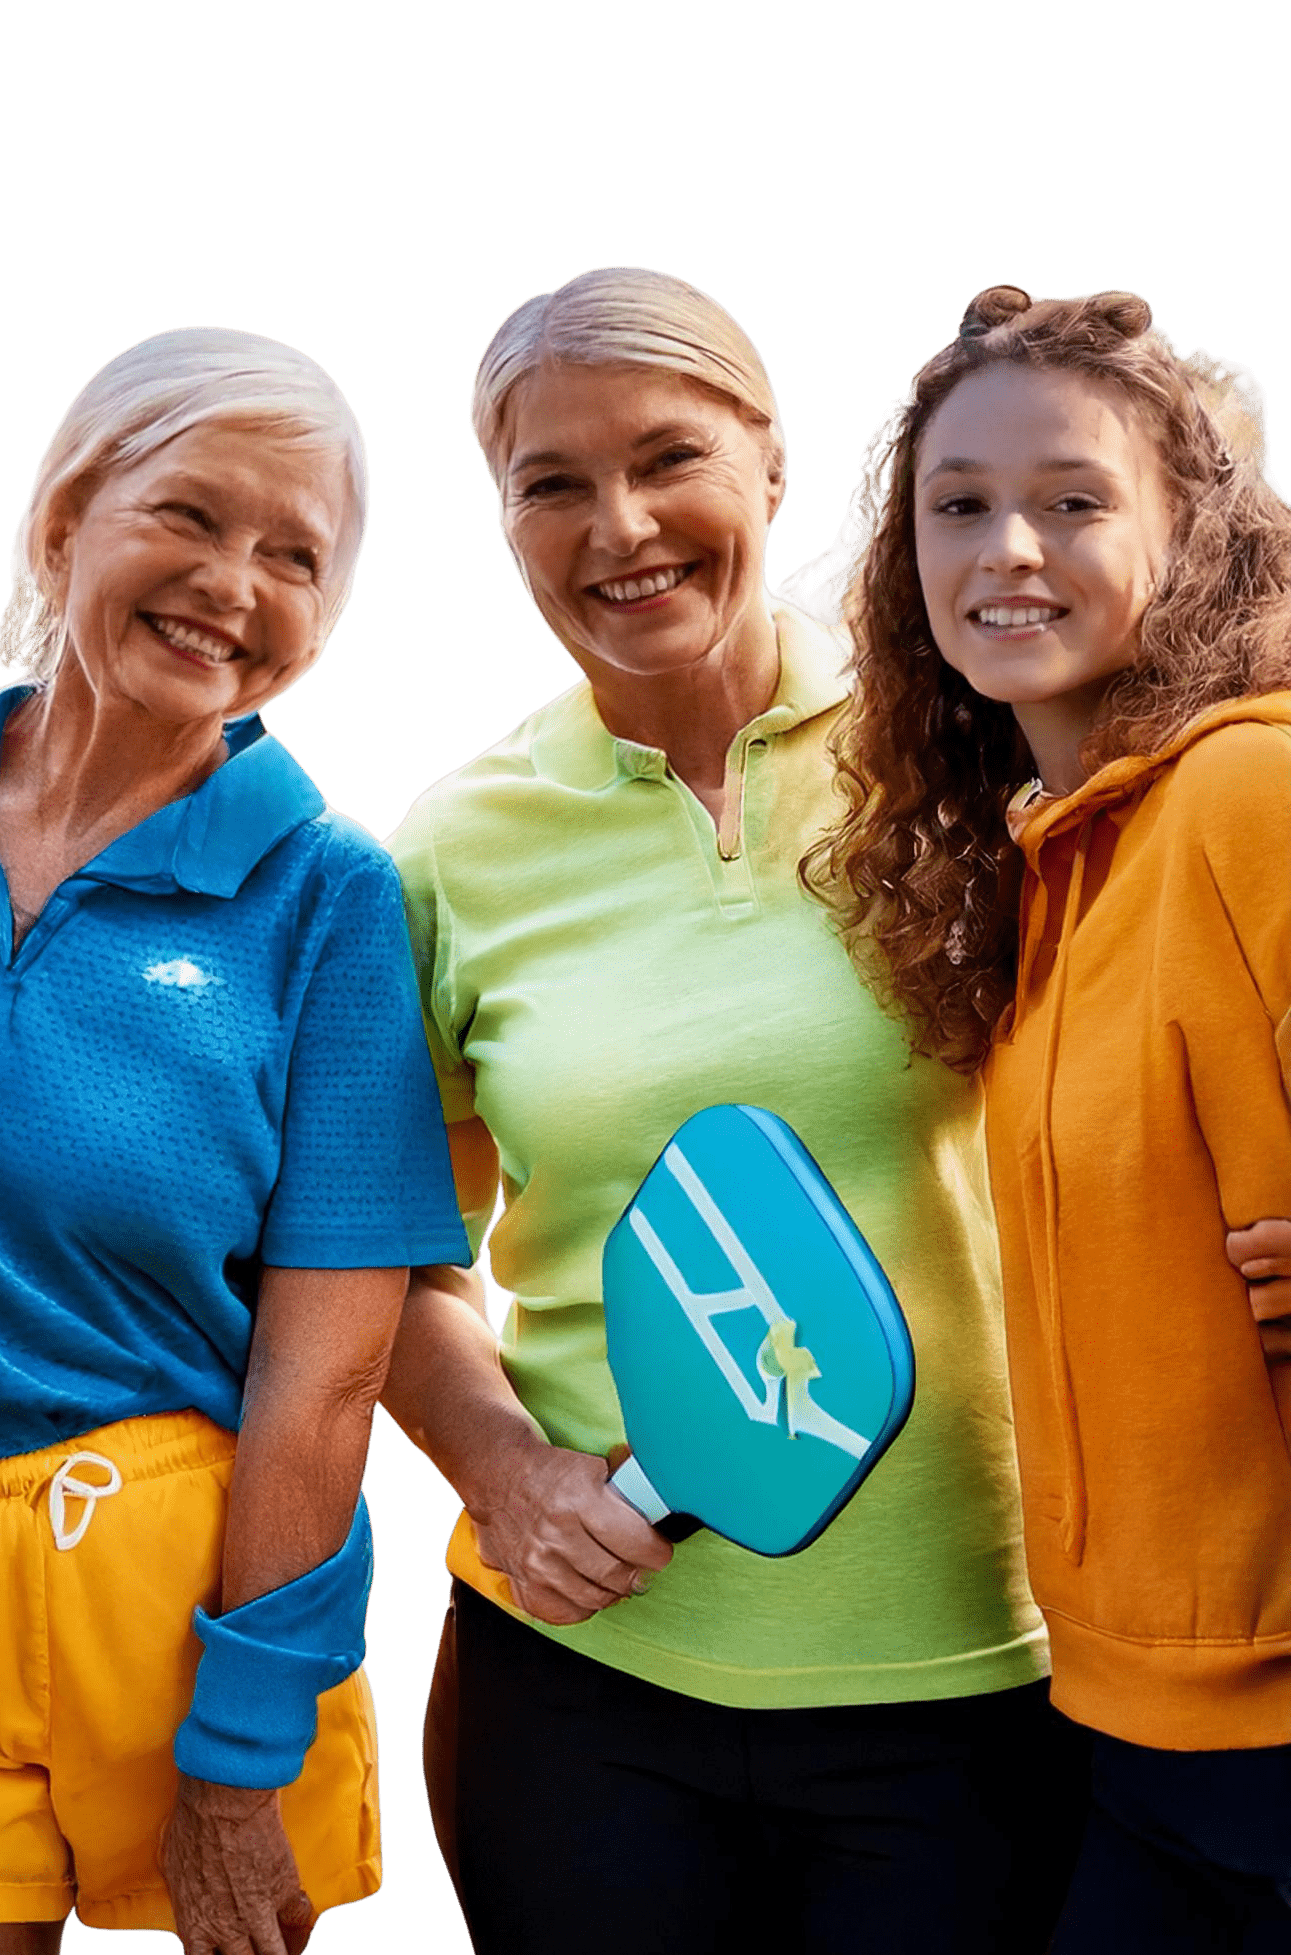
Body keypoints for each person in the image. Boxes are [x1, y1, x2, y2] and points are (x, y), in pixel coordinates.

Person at [378, 265, 1087, 1955]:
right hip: (587, 1690)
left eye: (666, 457)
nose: (616, 524)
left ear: (771, 463)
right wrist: (503, 1470)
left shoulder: (988, 750)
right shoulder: (450, 850)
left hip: (981, 1662)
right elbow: (376, 1259)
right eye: (548, 483)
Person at [0, 325, 467, 1955]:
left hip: (184, 1596)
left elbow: (329, 1372)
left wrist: (238, 1752)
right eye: (193, 516)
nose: (237, 582)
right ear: (65, 513)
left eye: (298, 555)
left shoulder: (330, 893)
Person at [809, 283, 1291, 1952]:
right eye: (962, 507)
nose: (1009, 547)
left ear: (1193, 536)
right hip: (1123, 1730)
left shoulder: (1253, 789)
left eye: (1074, 501)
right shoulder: (1055, 870)